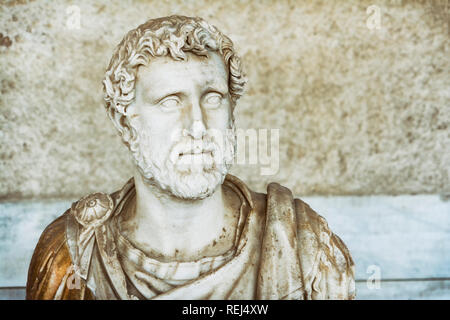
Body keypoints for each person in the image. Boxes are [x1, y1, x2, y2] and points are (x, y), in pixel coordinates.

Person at [26, 15, 355, 300]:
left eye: (213, 98)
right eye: (170, 102)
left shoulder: (304, 247)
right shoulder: (73, 254)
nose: (198, 126)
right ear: (124, 121)